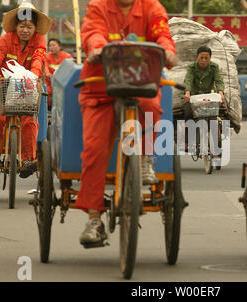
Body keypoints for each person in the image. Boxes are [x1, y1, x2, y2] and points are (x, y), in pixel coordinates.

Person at [76, 0, 178, 248]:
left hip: (140, 83)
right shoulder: (98, 6)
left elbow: (162, 33)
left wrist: (168, 50)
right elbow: (93, 32)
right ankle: (94, 219)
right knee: (94, 151)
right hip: (101, 87)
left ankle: (144, 159)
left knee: (153, 107)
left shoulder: (151, 7)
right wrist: (97, 48)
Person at [0, 1, 51, 178]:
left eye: (29, 26)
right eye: (22, 26)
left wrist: (35, 75)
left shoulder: (40, 41)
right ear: (16, 26)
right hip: (2, 86)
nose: (25, 30)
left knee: (29, 120)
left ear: (35, 28)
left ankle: (28, 159)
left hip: (27, 87)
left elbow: (39, 60)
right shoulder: (5, 39)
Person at [182, 46, 225, 120]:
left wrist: (221, 94)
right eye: (201, 58)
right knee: (187, 113)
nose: (203, 60)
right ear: (197, 57)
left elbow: (219, 81)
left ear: (210, 58)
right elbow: (188, 80)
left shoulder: (214, 67)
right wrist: (187, 93)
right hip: (194, 97)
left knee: (219, 113)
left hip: (209, 97)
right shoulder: (191, 67)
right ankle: (189, 130)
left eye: (206, 58)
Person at [45, 38, 73, 108]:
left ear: (59, 46)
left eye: (53, 45)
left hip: (63, 82)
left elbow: (69, 69)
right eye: (50, 46)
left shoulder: (67, 57)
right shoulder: (47, 56)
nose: (51, 47)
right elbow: (46, 69)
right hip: (50, 82)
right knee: (46, 92)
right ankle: (48, 109)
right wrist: (48, 74)